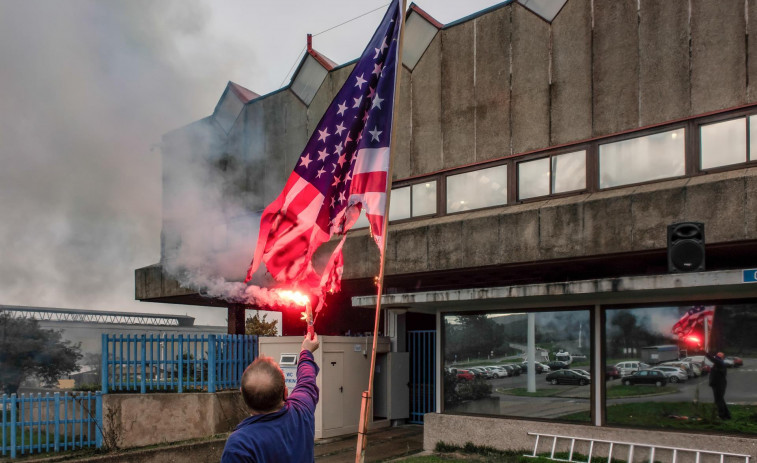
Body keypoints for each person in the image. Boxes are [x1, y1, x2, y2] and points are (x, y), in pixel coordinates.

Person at [221, 331, 320, 463]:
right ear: (286, 392)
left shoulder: (240, 445)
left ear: (243, 395)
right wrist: (306, 351)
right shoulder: (301, 412)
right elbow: (306, 380)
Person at [705, 351, 731, 420]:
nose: (716, 357)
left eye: (718, 357)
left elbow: (713, 359)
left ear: (721, 358)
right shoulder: (718, 364)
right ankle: (727, 415)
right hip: (717, 384)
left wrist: (705, 353)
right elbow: (716, 372)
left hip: (719, 385)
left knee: (718, 400)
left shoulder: (720, 363)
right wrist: (710, 370)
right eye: (716, 356)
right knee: (720, 400)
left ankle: (722, 416)